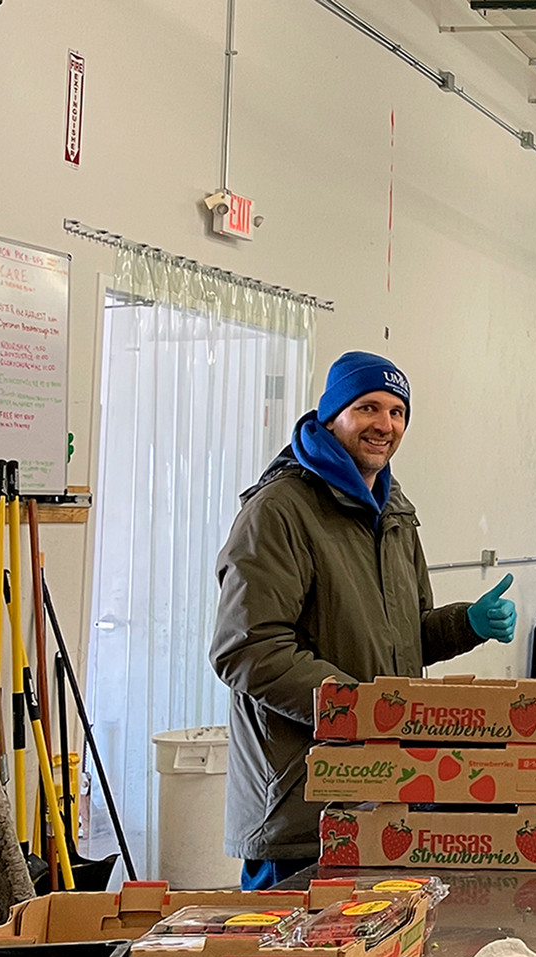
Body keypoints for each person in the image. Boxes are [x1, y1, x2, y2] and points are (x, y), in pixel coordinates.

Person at [212, 351, 517, 891]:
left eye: (398, 412)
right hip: (303, 804)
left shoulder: (394, 510)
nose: (386, 424)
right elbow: (248, 649)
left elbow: (403, 639)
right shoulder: (279, 511)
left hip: (385, 792)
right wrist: (358, 711)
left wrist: (466, 623)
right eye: (368, 407)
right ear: (333, 416)